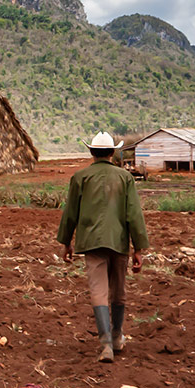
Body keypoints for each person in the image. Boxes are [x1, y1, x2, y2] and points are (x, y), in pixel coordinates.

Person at [57, 131, 149, 363]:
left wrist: (66, 242)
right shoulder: (124, 177)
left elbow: (70, 214)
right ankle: (117, 337)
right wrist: (138, 247)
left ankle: (105, 343)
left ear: (91, 152)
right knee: (118, 291)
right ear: (112, 152)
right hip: (118, 241)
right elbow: (134, 214)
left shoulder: (80, 177)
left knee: (98, 291)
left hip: (91, 242)